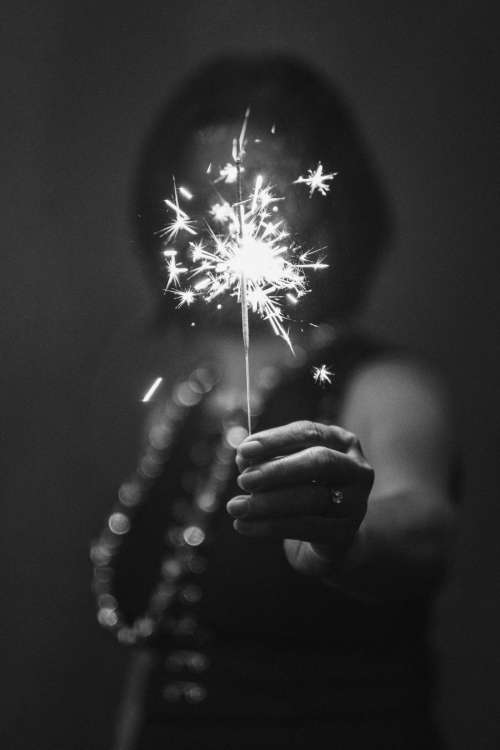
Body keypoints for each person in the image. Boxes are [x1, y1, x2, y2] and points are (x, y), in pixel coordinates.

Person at [90, 54, 459, 749]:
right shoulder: (178, 405)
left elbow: (421, 532)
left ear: (330, 210)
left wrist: (345, 532)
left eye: (268, 189)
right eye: (201, 189)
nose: (226, 214)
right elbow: (157, 656)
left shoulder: (385, 387)